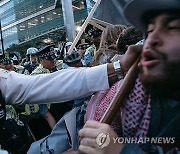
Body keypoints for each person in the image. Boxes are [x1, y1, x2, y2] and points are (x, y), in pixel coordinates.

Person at [77, 0, 180, 154]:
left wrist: (120, 150)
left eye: (173, 28)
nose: (151, 40)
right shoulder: (140, 98)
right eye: (150, 31)